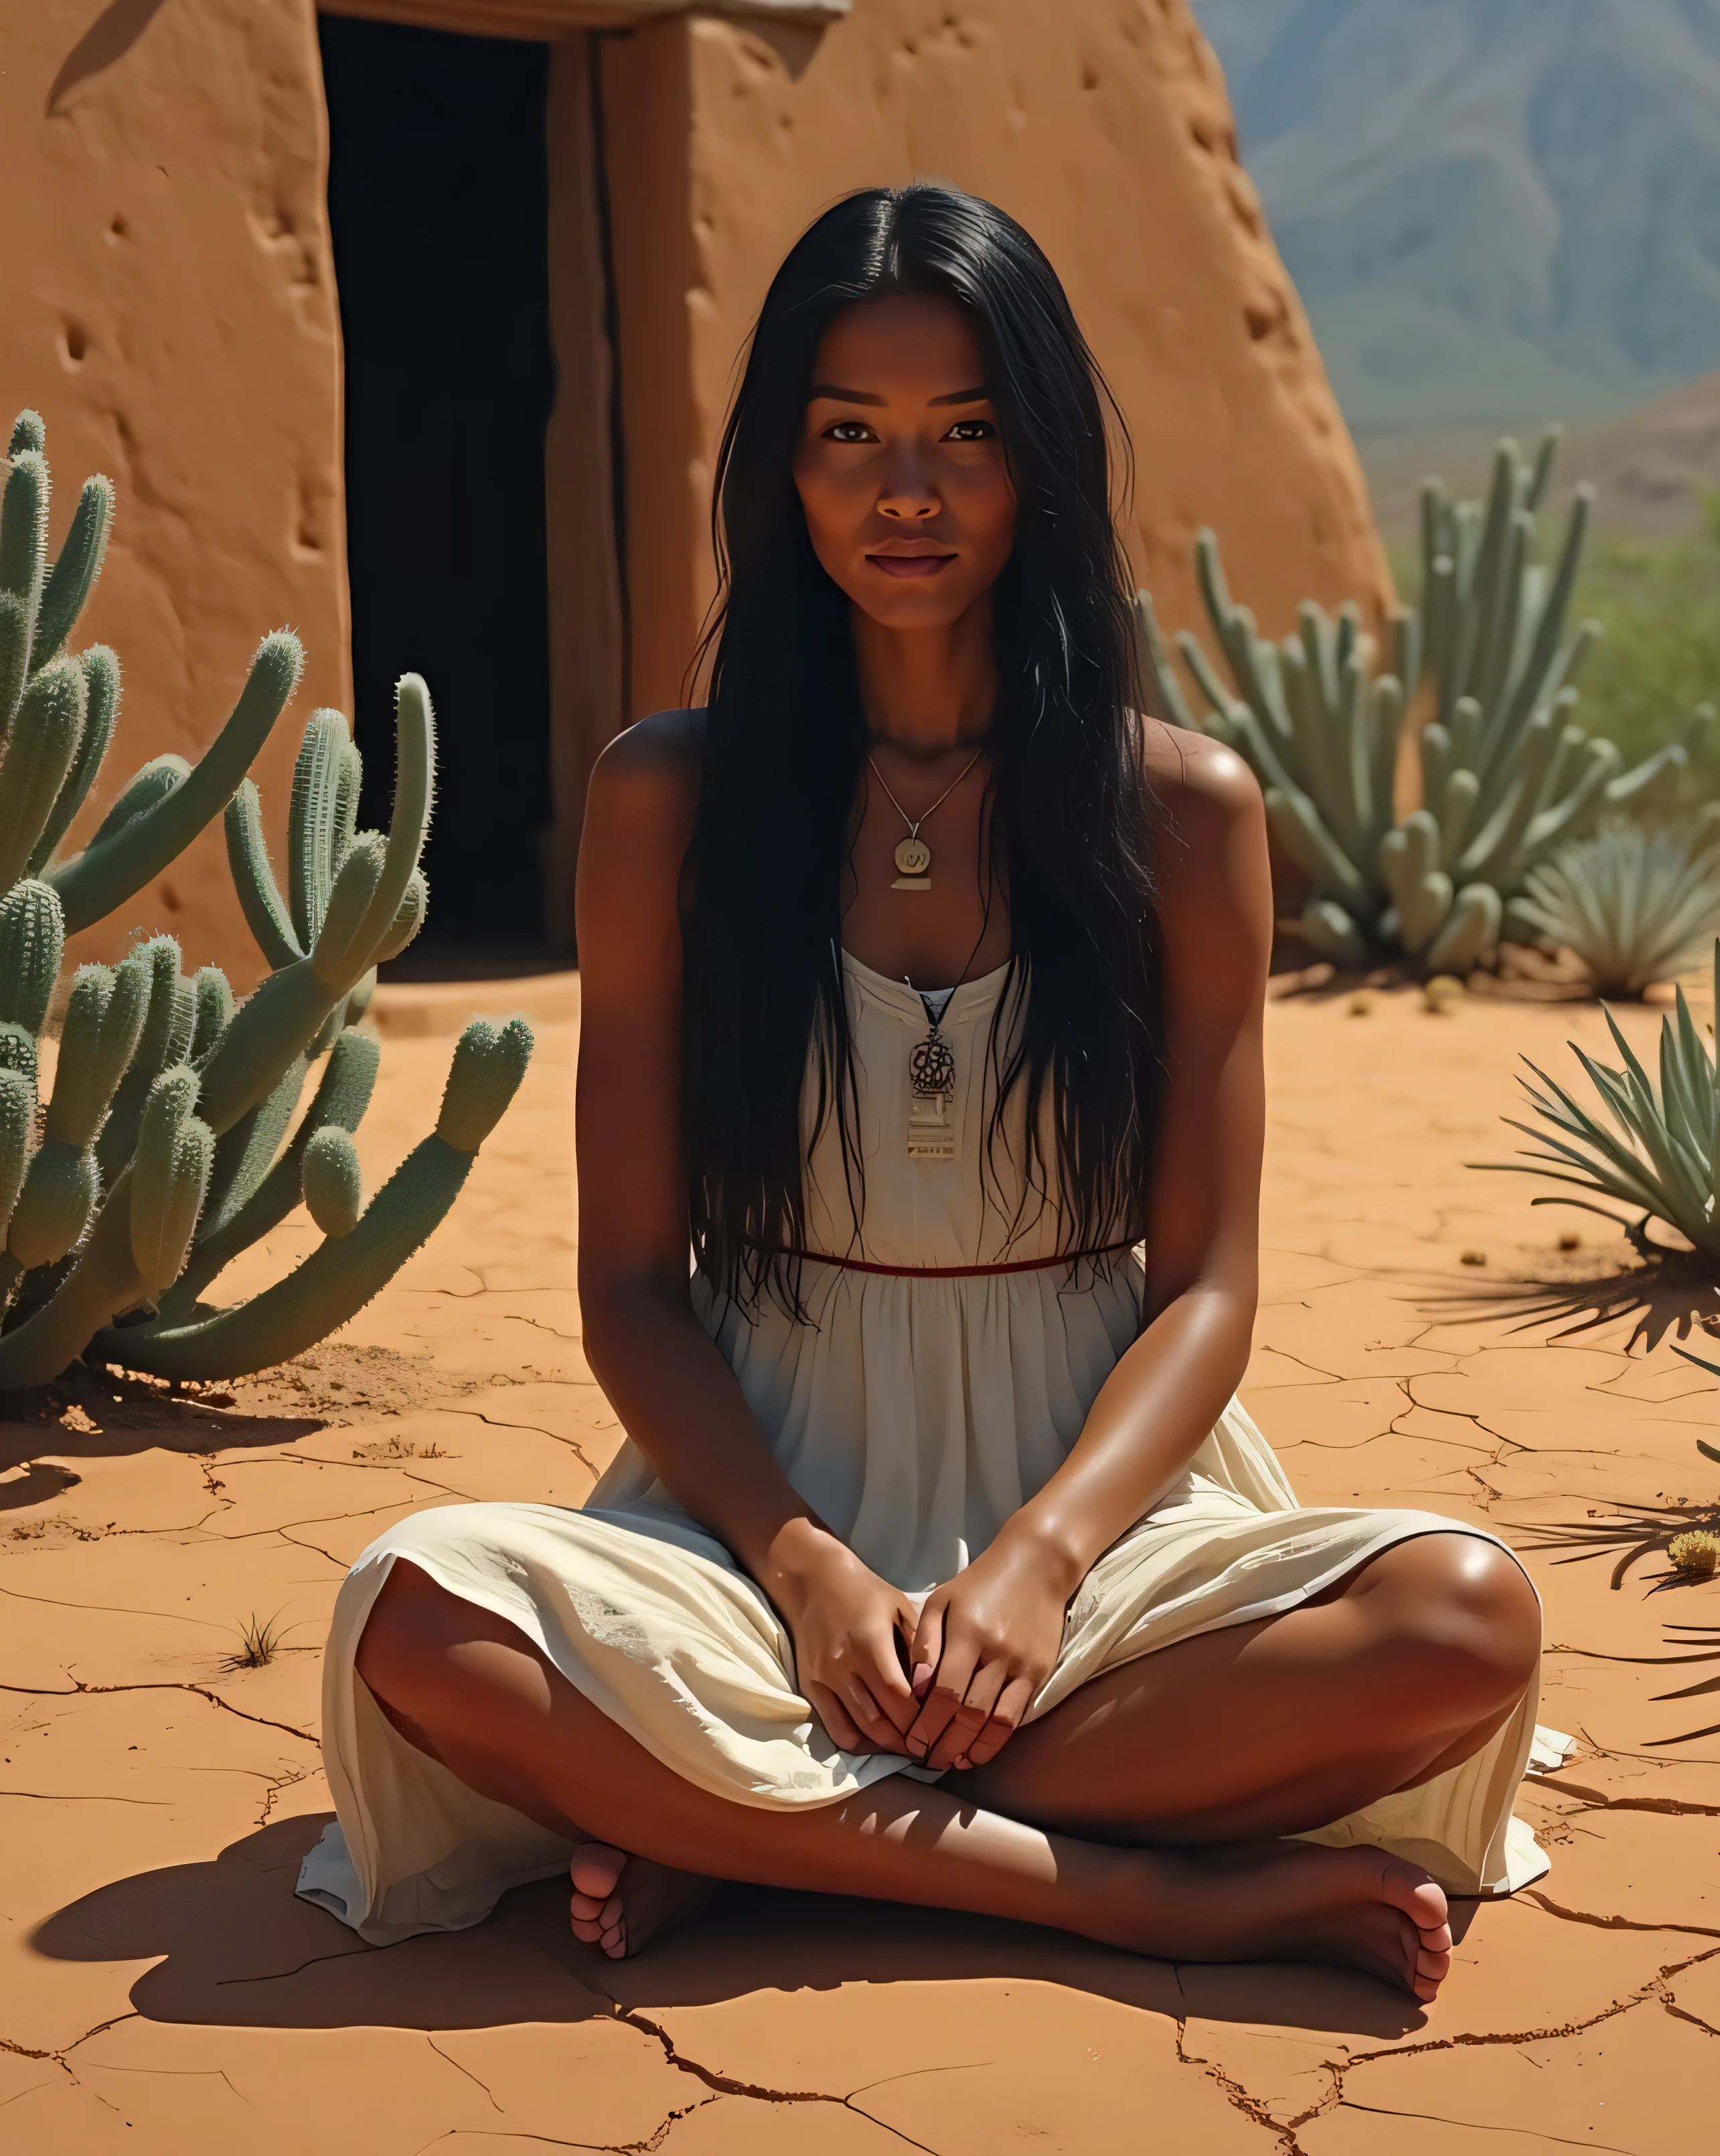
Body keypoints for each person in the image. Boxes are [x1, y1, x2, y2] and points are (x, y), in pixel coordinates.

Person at [299, 183, 1551, 2005]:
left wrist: (1041, 1564)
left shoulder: (1180, 817)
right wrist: (805, 1574)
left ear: (1037, 461)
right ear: (781, 474)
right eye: (849, 437)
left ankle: (740, 1833)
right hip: (749, 1524)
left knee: (1462, 1622)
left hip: (1103, 1529)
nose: (908, 492)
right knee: (414, 1615)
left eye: (965, 434)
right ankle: (1125, 1897)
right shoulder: (671, 807)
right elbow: (635, 1289)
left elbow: (1205, 1285)